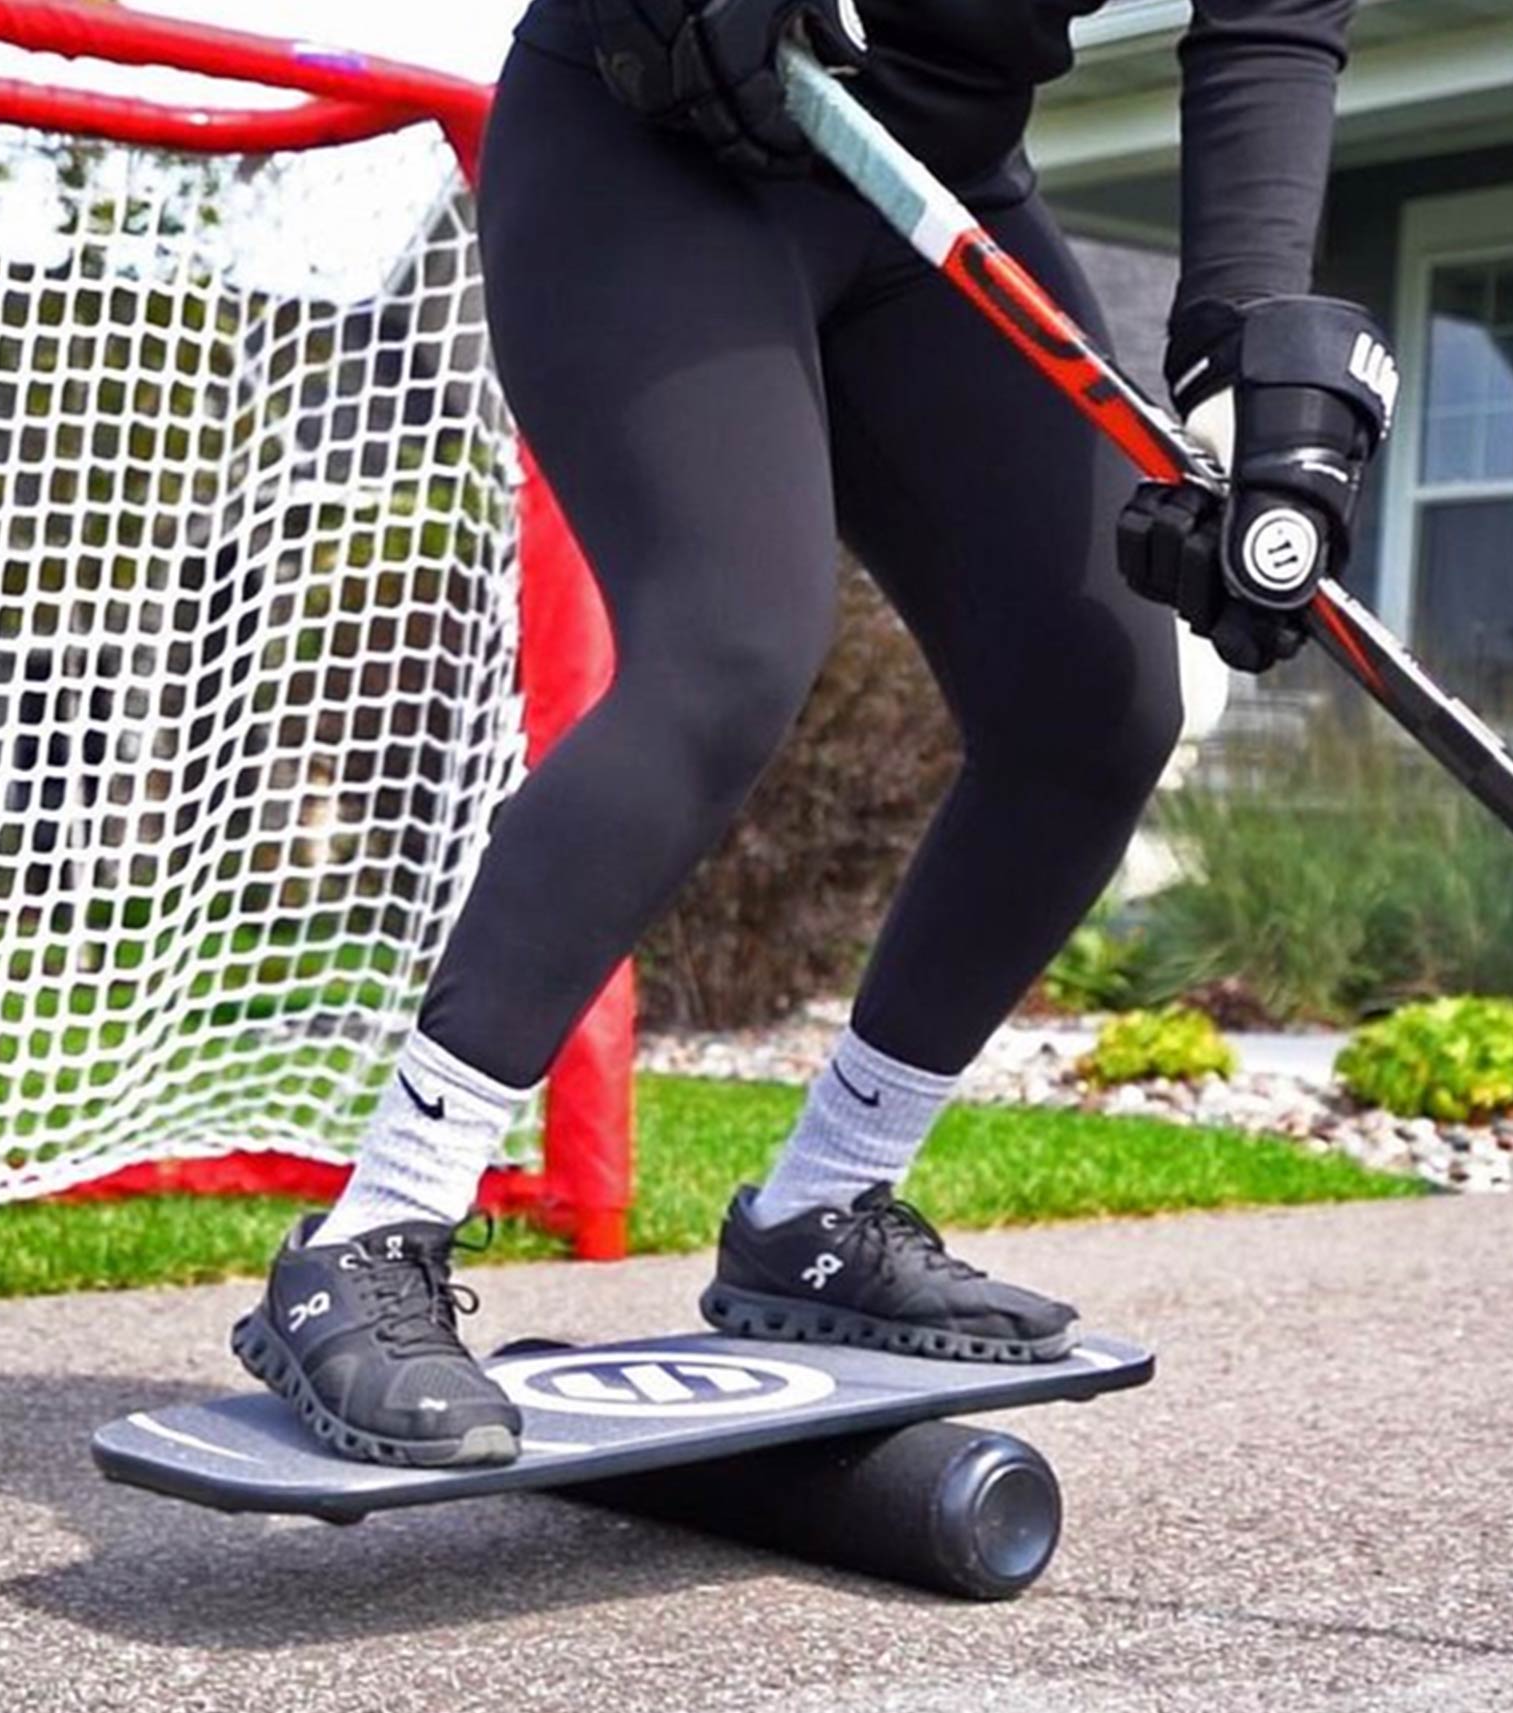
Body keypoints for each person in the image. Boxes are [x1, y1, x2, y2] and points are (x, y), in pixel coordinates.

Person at [229, 0, 1396, 1469]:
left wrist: (1245, 394)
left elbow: (1267, 38)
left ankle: (817, 1216)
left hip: (930, 187)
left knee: (1096, 700)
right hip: (655, 126)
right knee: (727, 650)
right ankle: (373, 1229)